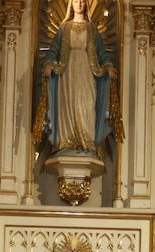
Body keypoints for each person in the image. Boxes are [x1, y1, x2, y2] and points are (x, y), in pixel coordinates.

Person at [35, 0, 117, 155]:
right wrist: (49, 64)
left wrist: (108, 66)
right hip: (67, 75)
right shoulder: (64, 28)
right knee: (69, 102)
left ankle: (86, 142)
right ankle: (66, 142)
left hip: (86, 73)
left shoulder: (92, 29)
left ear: (86, 4)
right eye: (76, 0)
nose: (79, 3)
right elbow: (54, 50)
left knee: (87, 103)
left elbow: (102, 53)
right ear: (71, 4)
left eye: (82, 1)